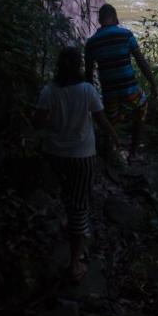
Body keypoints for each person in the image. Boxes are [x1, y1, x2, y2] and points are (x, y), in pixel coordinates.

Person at [32, 45, 118, 282]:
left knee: (69, 197)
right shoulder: (87, 90)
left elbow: (37, 123)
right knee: (79, 206)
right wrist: (115, 137)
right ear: (80, 66)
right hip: (82, 158)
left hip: (54, 156)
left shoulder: (49, 91)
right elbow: (101, 121)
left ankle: (71, 227)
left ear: (59, 66)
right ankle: (74, 263)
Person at [84, 3, 157, 160]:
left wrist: (92, 99)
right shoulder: (126, 35)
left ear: (99, 20)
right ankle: (133, 152)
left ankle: (110, 153)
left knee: (110, 121)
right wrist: (153, 83)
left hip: (109, 93)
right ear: (115, 18)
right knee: (142, 107)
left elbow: (88, 73)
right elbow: (141, 62)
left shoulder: (92, 43)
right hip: (130, 91)